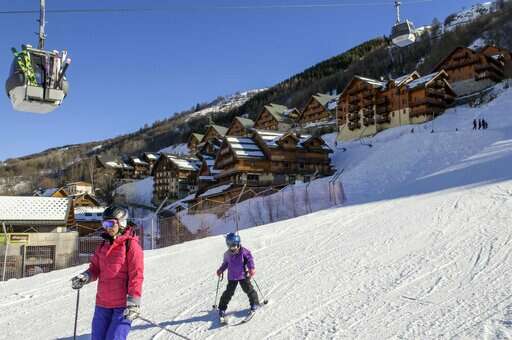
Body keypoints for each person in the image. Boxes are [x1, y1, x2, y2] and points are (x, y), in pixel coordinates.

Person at [71, 205, 144, 340]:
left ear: (121, 223)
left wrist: (134, 302)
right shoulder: (103, 245)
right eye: (104, 223)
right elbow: (95, 269)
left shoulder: (131, 246)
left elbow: (136, 276)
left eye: (110, 223)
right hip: (102, 304)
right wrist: (85, 277)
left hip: (122, 307)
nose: (107, 227)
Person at [216, 233, 259, 319]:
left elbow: (250, 260)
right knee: (228, 292)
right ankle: (222, 308)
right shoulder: (227, 254)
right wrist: (221, 270)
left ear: (238, 243)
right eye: (230, 246)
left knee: (249, 289)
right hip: (232, 276)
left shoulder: (244, 251)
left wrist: (251, 268)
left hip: (243, 275)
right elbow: (225, 263)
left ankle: (254, 303)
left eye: (234, 246)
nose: (232, 248)